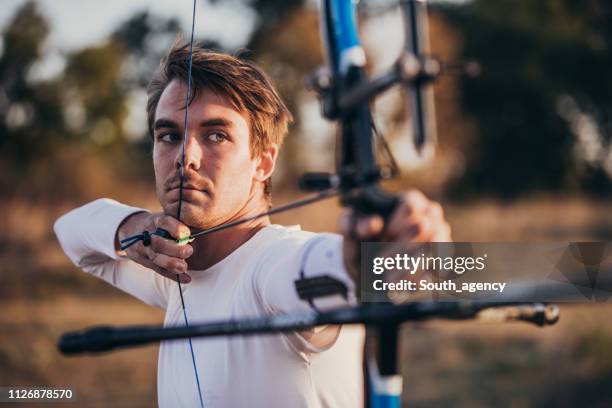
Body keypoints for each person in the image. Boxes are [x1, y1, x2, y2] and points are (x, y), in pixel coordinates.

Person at [54, 44, 451, 407]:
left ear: (263, 161)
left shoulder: (272, 267)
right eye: (169, 135)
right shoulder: (174, 270)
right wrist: (133, 227)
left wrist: (368, 261)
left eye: (215, 135)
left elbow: (320, 272)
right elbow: (72, 233)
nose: (184, 157)